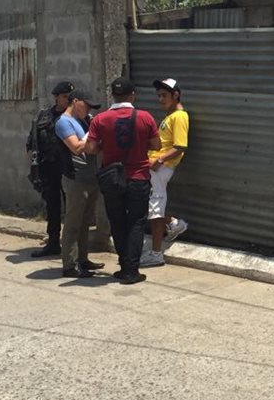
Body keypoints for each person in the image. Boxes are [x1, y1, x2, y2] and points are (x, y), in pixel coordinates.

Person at [85, 78, 160, 285]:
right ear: (132, 95)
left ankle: (123, 265)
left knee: (117, 222)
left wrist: (105, 146)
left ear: (113, 95)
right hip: (138, 177)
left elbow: (90, 149)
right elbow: (156, 144)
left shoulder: (100, 119)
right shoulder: (145, 117)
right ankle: (131, 270)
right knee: (136, 223)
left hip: (112, 179)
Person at [54, 90, 106, 279]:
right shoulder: (63, 122)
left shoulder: (84, 121)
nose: (89, 110)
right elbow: (76, 147)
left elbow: (93, 147)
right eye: (87, 105)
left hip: (90, 176)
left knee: (85, 222)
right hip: (76, 178)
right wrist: (93, 137)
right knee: (73, 222)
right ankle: (69, 264)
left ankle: (82, 259)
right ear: (75, 101)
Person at [140, 78, 190, 268]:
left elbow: (180, 146)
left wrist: (159, 160)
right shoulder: (170, 116)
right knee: (151, 208)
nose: (160, 99)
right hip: (154, 167)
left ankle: (156, 254)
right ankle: (175, 224)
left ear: (176, 95)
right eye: (159, 96)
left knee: (154, 211)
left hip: (160, 169)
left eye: (164, 96)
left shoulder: (179, 117)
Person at [27, 80, 74, 259]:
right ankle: (53, 242)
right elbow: (32, 142)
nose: (68, 99)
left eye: (70, 96)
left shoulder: (75, 116)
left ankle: (73, 246)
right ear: (56, 97)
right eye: (64, 97)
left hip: (70, 168)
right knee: (52, 206)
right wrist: (34, 167)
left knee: (72, 208)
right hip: (49, 168)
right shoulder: (43, 116)